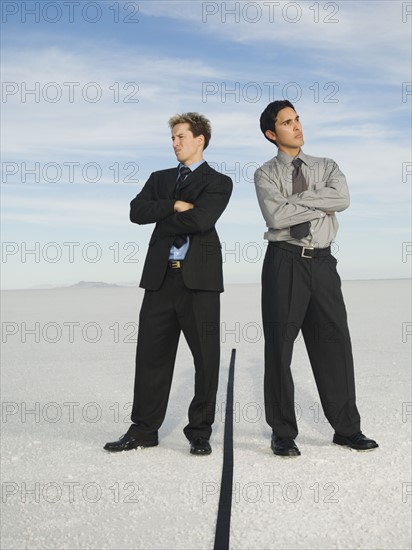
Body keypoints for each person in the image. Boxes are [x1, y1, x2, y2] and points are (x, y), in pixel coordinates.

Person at [254, 100, 378, 457]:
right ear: (271, 133)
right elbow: (277, 217)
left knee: (334, 345)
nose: (296, 126)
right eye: (286, 122)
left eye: (297, 119)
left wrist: (299, 199)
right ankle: (282, 432)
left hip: (323, 264)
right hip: (284, 262)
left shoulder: (327, 166)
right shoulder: (264, 174)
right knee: (279, 348)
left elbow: (342, 198)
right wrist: (318, 202)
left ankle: (347, 429)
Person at [105, 112, 233, 455]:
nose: (174, 143)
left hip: (200, 283)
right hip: (160, 280)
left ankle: (200, 431)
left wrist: (161, 216)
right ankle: (144, 430)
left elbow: (203, 219)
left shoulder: (219, 181)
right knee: (151, 356)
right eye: (172, 138)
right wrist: (174, 205)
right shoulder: (159, 178)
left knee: (206, 358)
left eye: (180, 137)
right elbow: (136, 212)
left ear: (199, 139)